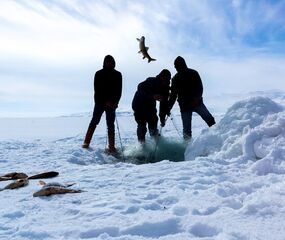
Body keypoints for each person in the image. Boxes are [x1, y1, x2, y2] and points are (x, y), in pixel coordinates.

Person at [168, 56, 215, 140]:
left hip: (197, 103)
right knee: (186, 131)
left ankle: (217, 136)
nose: (175, 67)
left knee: (210, 120)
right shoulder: (175, 79)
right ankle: (188, 149)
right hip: (185, 106)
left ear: (182, 64)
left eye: (176, 66)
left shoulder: (193, 73)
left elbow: (200, 87)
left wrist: (196, 99)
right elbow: (173, 95)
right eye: (175, 66)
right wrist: (169, 107)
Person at [82, 55, 122, 153]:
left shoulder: (118, 74)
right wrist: (104, 102)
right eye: (107, 62)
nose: (109, 63)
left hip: (112, 104)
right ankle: (86, 142)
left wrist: (115, 102)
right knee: (94, 121)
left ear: (114, 63)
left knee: (110, 124)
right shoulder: (99, 74)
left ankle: (111, 146)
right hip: (100, 102)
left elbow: (119, 90)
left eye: (111, 62)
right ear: (104, 62)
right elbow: (97, 90)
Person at [132, 69, 171, 143]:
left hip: (150, 106)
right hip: (138, 105)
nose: (165, 82)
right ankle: (142, 145)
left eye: (167, 80)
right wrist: (152, 96)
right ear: (161, 77)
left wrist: (162, 118)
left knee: (153, 122)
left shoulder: (165, 88)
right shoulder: (150, 81)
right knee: (142, 125)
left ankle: (156, 142)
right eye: (164, 79)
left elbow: (163, 104)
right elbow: (140, 88)